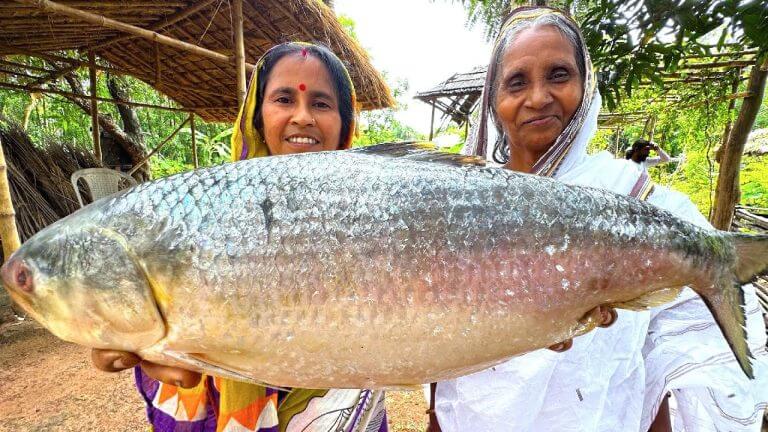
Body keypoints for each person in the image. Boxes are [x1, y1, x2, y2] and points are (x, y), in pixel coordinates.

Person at [435, 6, 768, 432]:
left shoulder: (635, 198)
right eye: (517, 82)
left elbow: (678, 356)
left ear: (585, 84)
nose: (537, 97)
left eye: (558, 75)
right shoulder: (463, 202)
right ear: (493, 100)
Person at [91, 42, 388, 432]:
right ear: (257, 115)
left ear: (344, 122)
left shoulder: (380, 216)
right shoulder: (204, 216)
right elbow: (185, 342)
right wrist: (149, 347)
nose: (302, 117)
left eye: (321, 103)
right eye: (284, 99)